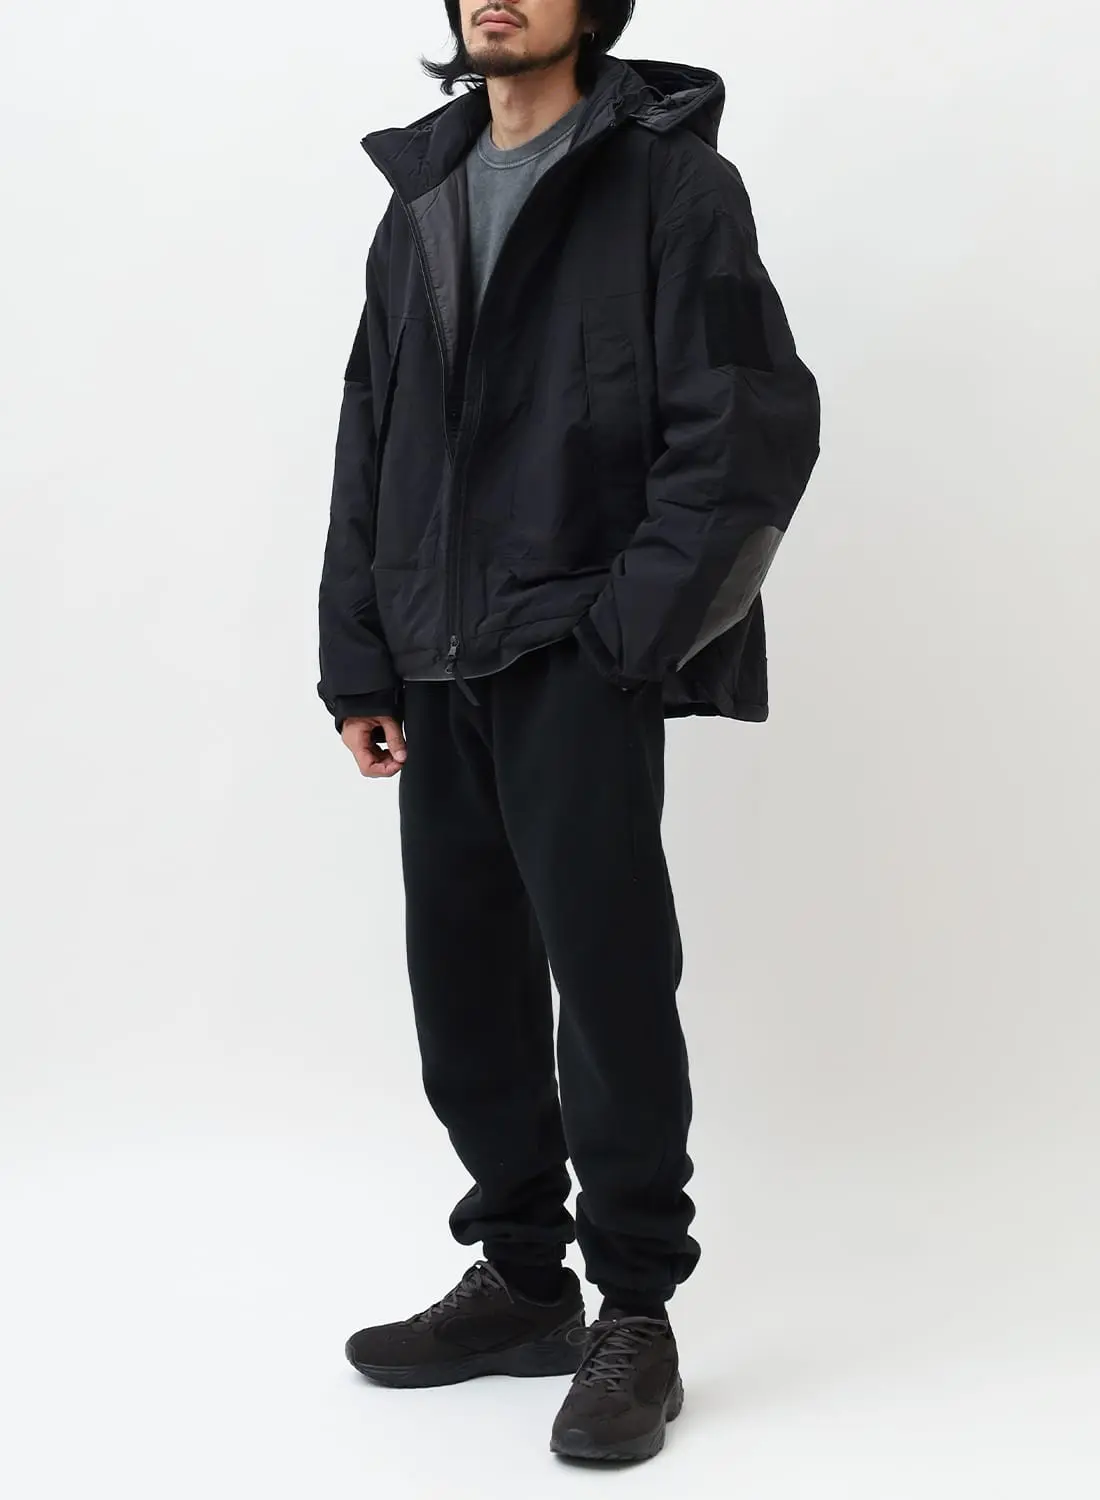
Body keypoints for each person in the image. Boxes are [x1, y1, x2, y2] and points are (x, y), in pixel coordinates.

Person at [316, 0, 820, 1464]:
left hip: (575, 650)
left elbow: (748, 424)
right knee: (463, 978)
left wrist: (625, 642)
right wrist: (361, 655)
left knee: (606, 979)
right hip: (435, 653)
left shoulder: (673, 185)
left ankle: (636, 1312)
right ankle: (524, 1282)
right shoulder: (420, 195)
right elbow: (372, 427)